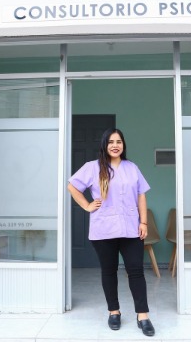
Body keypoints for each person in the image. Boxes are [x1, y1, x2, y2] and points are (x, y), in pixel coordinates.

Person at [67, 128, 155, 337]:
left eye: (119, 142)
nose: (115, 145)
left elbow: (141, 196)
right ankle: (113, 311)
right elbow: (72, 186)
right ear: (105, 145)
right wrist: (87, 205)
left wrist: (143, 222)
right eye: (111, 142)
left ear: (123, 145)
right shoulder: (92, 167)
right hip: (104, 229)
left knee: (136, 271)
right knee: (109, 271)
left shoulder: (132, 168)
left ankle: (142, 315)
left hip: (131, 229)